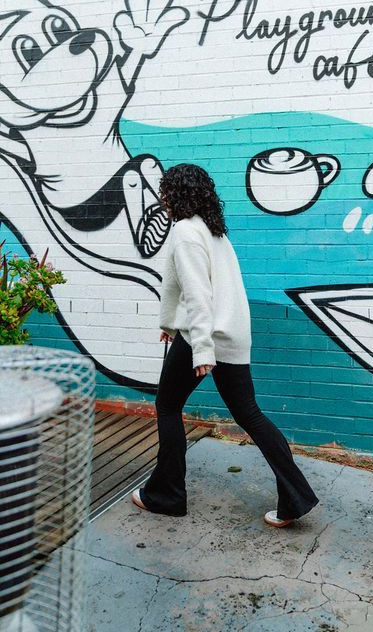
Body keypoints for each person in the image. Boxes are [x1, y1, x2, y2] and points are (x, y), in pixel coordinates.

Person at [131, 163, 318, 527]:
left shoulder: (185, 232)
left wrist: (201, 349)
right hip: (229, 333)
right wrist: (170, 324)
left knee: (167, 406)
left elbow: (198, 294)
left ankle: (167, 495)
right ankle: (296, 497)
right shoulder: (212, 230)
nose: (162, 197)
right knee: (250, 414)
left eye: (165, 190)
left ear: (176, 194)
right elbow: (179, 285)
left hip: (204, 335)